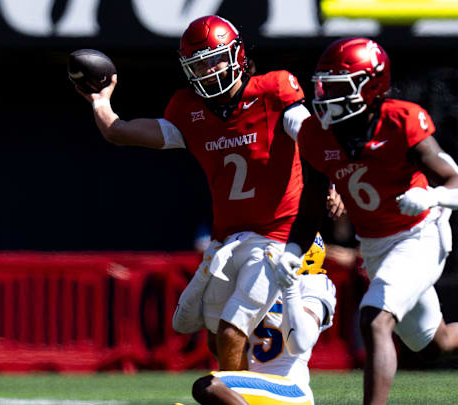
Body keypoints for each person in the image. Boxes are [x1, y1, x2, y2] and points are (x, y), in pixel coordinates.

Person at [73, 14, 337, 371]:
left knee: (232, 332)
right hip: (228, 241)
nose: (209, 71)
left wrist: (331, 178)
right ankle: (242, 394)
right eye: (198, 65)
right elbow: (120, 132)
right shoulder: (189, 110)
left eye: (214, 59)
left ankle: (232, 392)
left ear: (238, 56)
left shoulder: (273, 90)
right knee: (215, 336)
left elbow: (310, 134)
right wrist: (99, 101)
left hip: (278, 236)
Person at [271, 37, 458, 405]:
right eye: (323, 85)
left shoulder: (401, 119)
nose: (324, 96)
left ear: (370, 86)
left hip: (420, 233)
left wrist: (432, 195)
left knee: (375, 318)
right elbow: (311, 207)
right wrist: (293, 249)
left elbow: (454, 178)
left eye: (337, 87)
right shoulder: (316, 134)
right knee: (435, 344)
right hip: (375, 245)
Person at [190, 234, 336, 405]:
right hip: (251, 389)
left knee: (208, 386)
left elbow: (299, 343)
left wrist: (289, 285)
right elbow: (216, 341)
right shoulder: (249, 281)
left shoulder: (314, 283)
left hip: (290, 390)